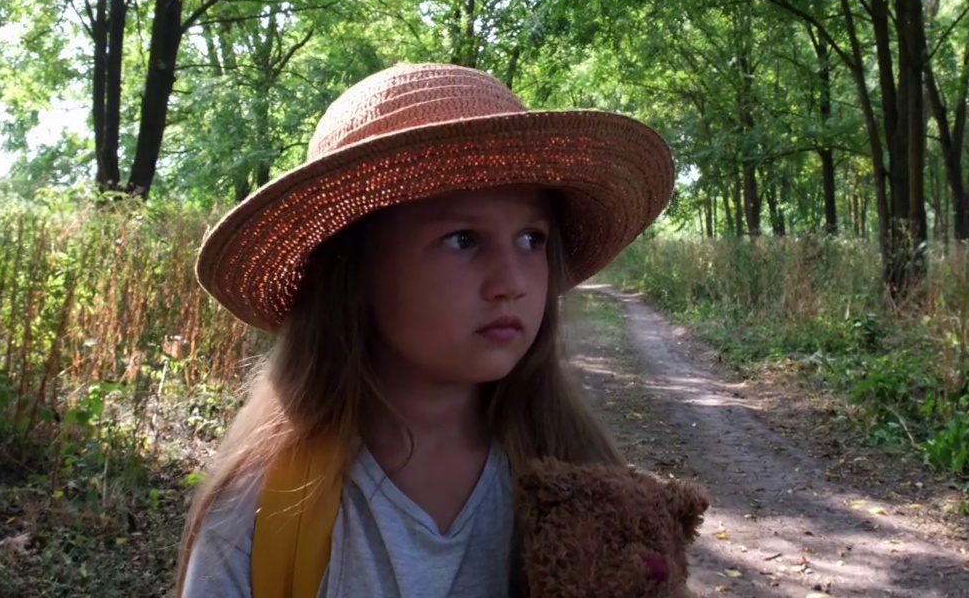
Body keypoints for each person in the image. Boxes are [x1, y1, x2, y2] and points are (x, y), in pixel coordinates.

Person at [174, 62, 675, 598]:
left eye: (531, 239)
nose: (512, 282)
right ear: (354, 273)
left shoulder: (580, 478)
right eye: (463, 239)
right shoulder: (263, 512)